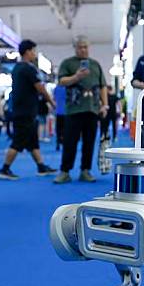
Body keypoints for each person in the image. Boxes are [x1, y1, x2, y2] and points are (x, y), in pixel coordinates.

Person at [0, 39, 57, 180]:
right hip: (26, 111)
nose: (34, 54)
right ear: (28, 51)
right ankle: (4, 169)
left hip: (21, 110)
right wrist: (52, 102)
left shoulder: (17, 68)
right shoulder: (29, 69)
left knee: (33, 141)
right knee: (18, 141)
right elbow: (40, 88)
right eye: (33, 51)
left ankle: (41, 166)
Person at [54, 35, 108, 184]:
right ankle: (65, 171)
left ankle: (85, 170)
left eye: (85, 47)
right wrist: (76, 77)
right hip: (73, 110)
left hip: (92, 109)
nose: (83, 50)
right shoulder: (68, 63)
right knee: (69, 142)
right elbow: (62, 81)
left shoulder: (95, 65)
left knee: (89, 142)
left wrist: (105, 104)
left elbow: (102, 86)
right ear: (75, 48)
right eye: (80, 47)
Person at [53, 76, 66, 151]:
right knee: (65, 128)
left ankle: (58, 142)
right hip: (66, 112)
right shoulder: (66, 89)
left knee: (58, 128)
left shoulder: (56, 89)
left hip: (58, 111)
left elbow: (54, 99)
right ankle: (63, 141)